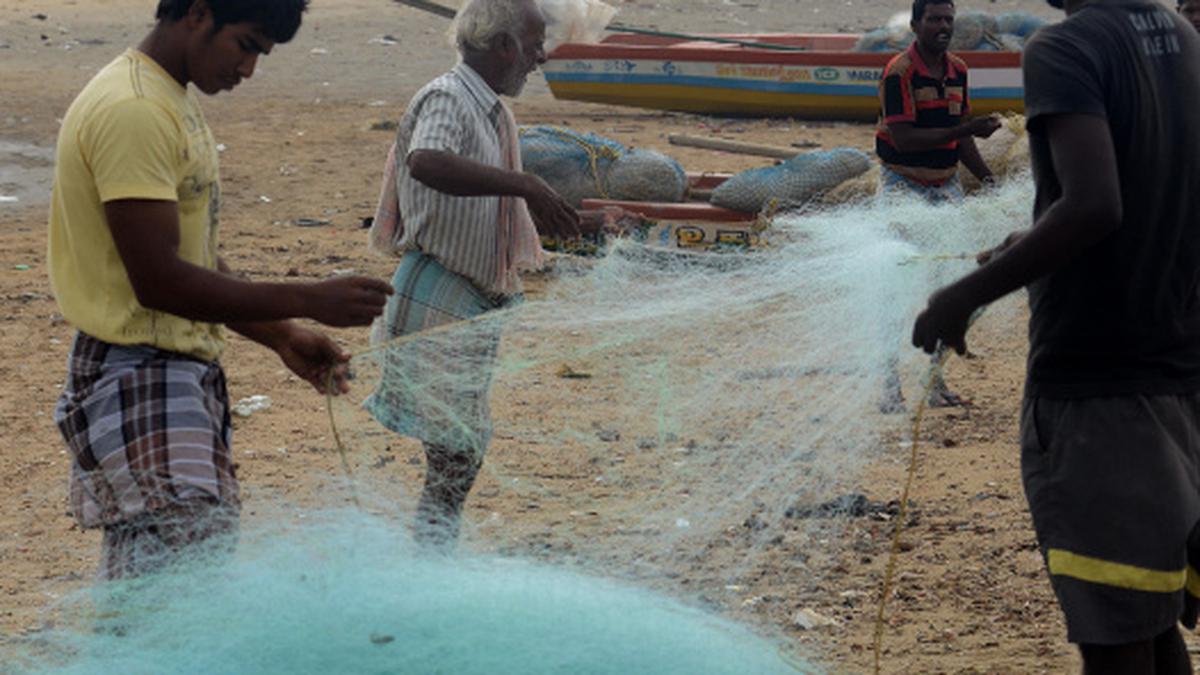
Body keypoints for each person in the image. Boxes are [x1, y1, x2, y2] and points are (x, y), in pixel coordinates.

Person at [49, 0, 393, 580]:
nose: (249, 70)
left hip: (172, 373)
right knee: (174, 580)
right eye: (247, 45)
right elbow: (160, 280)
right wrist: (310, 298)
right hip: (137, 375)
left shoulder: (166, 99)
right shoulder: (133, 109)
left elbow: (195, 259)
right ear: (198, 13)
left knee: (180, 573)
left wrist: (283, 335)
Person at [912, 0, 1200, 671]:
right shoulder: (1182, 38)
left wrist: (961, 297)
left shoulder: (1062, 48)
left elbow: (1097, 203)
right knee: (1151, 623)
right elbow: (1148, 188)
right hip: (1178, 377)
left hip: (1099, 396)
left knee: (1118, 640)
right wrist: (1036, 237)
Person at [367, 0, 604, 550]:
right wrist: (525, 185)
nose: (540, 57)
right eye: (534, 43)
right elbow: (426, 160)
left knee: (459, 453)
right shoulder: (451, 97)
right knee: (456, 451)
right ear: (503, 46)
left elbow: (489, 204)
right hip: (439, 291)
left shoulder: (491, 111)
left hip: (464, 295)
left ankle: (434, 558)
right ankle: (432, 564)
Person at [876, 0, 1002, 204]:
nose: (944, 26)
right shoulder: (899, 73)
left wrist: (991, 183)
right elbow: (904, 140)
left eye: (948, 20)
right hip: (901, 183)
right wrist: (967, 129)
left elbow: (963, 138)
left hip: (947, 182)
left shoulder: (959, 70)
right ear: (915, 26)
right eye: (934, 20)